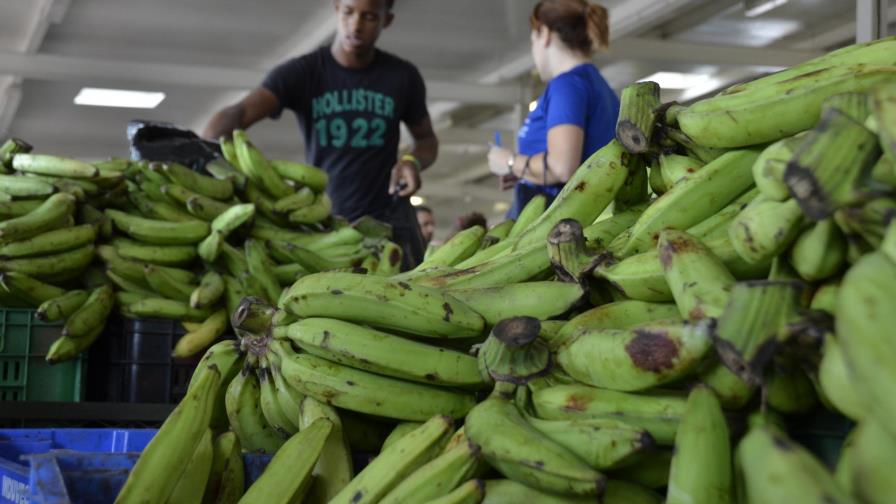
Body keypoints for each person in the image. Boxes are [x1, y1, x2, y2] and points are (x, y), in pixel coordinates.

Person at [202, 0, 438, 270]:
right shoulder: (303, 72)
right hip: (326, 220)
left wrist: (411, 161)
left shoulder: (402, 76)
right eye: (348, 12)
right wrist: (206, 148)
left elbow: (427, 140)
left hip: (391, 218)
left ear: (387, 20)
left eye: (369, 17)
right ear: (336, 9)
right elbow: (242, 112)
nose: (356, 25)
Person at [487, 0, 619, 220]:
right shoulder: (597, 85)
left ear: (545, 33)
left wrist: (508, 161)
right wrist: (523, 171)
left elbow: (562, 167)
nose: (533, 51)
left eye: (533, 41)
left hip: (557, 220)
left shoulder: (567, 85)